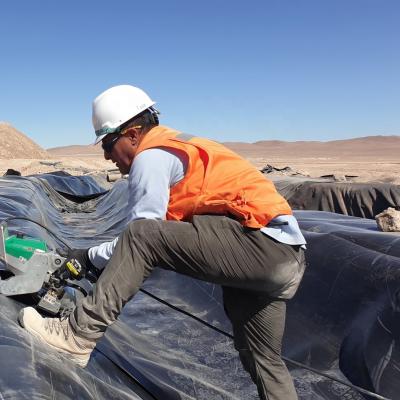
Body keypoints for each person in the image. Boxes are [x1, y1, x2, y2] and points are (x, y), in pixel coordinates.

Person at [19, 85, 306, 400]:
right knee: (262, 359)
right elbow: (160, 239)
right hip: (285, 256)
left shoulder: (152, 156)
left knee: (142, 236)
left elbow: (143, 236)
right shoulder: (180, 146)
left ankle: (76, 336)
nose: (106, 156)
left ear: (132, 133)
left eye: (109, 143)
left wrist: (88, 257)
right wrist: (101, 262)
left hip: (258, 244)